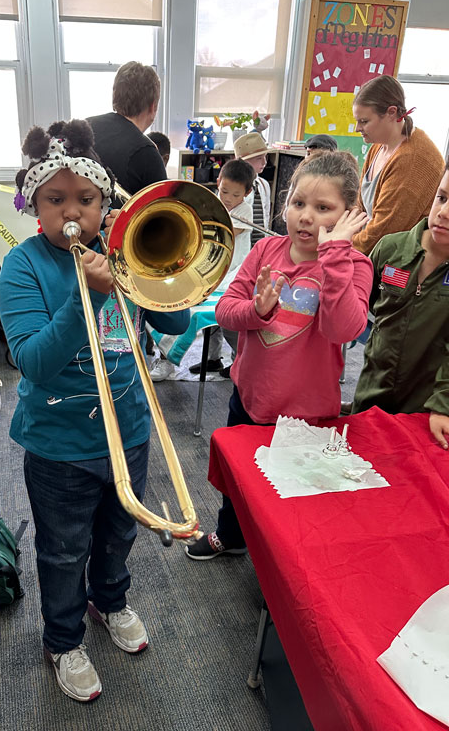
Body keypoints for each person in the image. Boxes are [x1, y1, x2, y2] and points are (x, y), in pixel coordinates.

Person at [0, 119, 190, 702]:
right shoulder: (23, 266)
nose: (71, 211)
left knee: (118, 534)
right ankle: (63, 639)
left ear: (106, 201)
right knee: (61, 550)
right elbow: (33, 361)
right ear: (35, 204)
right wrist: (94, 297)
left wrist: (158, 272)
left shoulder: (121, 250)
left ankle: (110, 602)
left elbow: (176, 323)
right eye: (55, 200)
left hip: (128, 429)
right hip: (58, 445)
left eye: (85, 198)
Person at [185, 152, 374, 559]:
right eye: (298, 204)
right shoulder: (266, 250)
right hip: (250, 399)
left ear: (348, 215)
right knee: (237, 482)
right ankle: (231, 535)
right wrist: (258, 311)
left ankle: (283, 562)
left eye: (323, 208)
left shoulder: (354, 265)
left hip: (307, 414)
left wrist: (336, 255)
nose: (306, 217)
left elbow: (345, 329)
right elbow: (225, 311)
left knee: (293, 495)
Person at [352, 157, 449, 448]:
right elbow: (356, 311)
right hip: (370, 393)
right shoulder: (390, 248)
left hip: (425, 408)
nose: (443, 213)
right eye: (442, 198)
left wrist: (443, 403)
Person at [149, 158, 256, 382]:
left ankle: (240, 361)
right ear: (218, 181)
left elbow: (223, 232)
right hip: (205, 268)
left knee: (222, 320)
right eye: (224, 191)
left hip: (232, 272)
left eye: (235, 195)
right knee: (179, 308)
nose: (228, 198)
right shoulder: (213, 200)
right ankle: (210, 358)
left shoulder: (244, 210)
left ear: (246, 193)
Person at [352, 75, 444, 255]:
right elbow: (359, 208)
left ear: (391, 113)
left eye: (364, 121)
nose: (357, 128)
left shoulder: (412, 159)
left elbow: (382, 235)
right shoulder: (379, 145)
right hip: (372, 249)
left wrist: (337, 248)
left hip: (398, 259)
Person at [88, 61, 167, 196]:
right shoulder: (147, 154)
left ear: (114, 97)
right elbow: (162, 212)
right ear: (153, 106)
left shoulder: (81, 129)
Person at [233, 131, 272, 249]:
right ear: (244, 161)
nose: (264, 162)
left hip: (260, 246)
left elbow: (266, 215)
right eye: (259, 158)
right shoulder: (233, 187)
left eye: (265, 157)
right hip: (241, 247)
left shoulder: (264, 185)